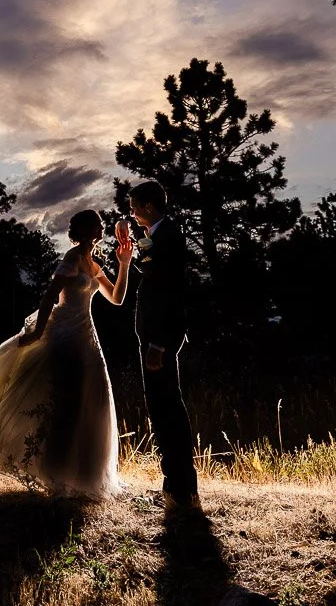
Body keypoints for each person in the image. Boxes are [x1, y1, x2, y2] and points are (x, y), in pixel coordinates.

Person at [0, 209, 133, 499]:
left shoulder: (94, 265)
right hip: (63, 335)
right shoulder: (71, 259)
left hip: (86, 335)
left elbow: (117, 299)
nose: (102, 227)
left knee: (89, 402)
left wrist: (124, 264)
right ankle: (54, 474)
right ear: (84, 230)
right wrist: (36, 333)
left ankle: (82, 476)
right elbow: (49, 296)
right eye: (97, 223)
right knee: (63, 403)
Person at [127, 180, 200, 511]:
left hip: (161, 336)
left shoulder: (169, 236)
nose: (131, 211)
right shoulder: (160, 234)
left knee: (166, 409)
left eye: (134, 206)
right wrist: (132, 240)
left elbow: (168, 292)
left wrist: (157, 343)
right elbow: (147, 264)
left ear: (149, 207)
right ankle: (177, 488)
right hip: (156, 335)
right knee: (164, 409)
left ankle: (180, 489)